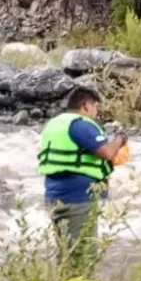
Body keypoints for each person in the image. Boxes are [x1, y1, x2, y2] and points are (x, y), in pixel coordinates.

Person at [38, 87, 129, 268]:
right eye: (95, 107)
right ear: (86, 105)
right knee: (82, 256)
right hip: (79, 200)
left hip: (56, 196)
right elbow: (106, 153)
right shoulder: (81, 124)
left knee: (66, 253)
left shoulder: (55, 124)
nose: (96, 112)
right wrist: (120, 139)